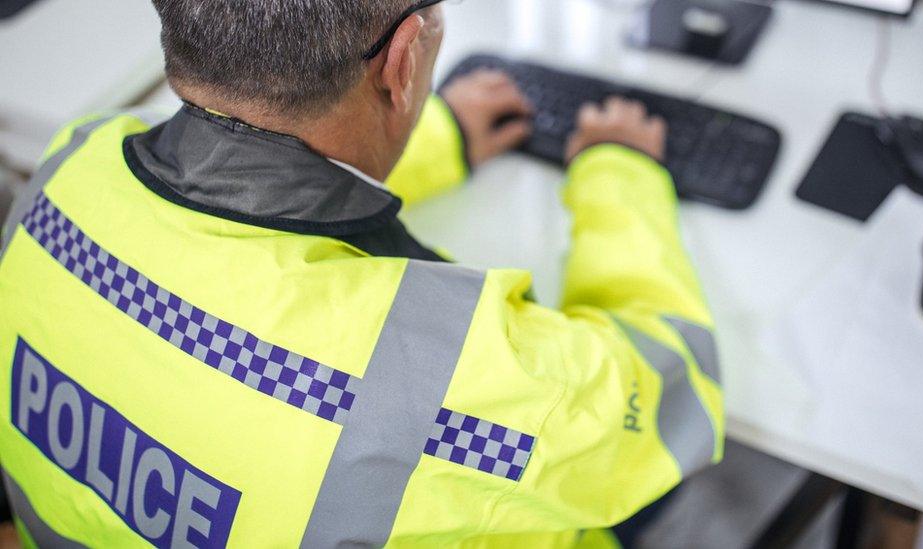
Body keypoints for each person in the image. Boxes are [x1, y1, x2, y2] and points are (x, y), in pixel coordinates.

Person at [0, 0, 724, 547]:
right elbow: (675, 383)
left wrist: (425, 136)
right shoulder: (441, 376)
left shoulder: (71, 163)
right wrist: (619, 173)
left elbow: (237, 177)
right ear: (404, 59)